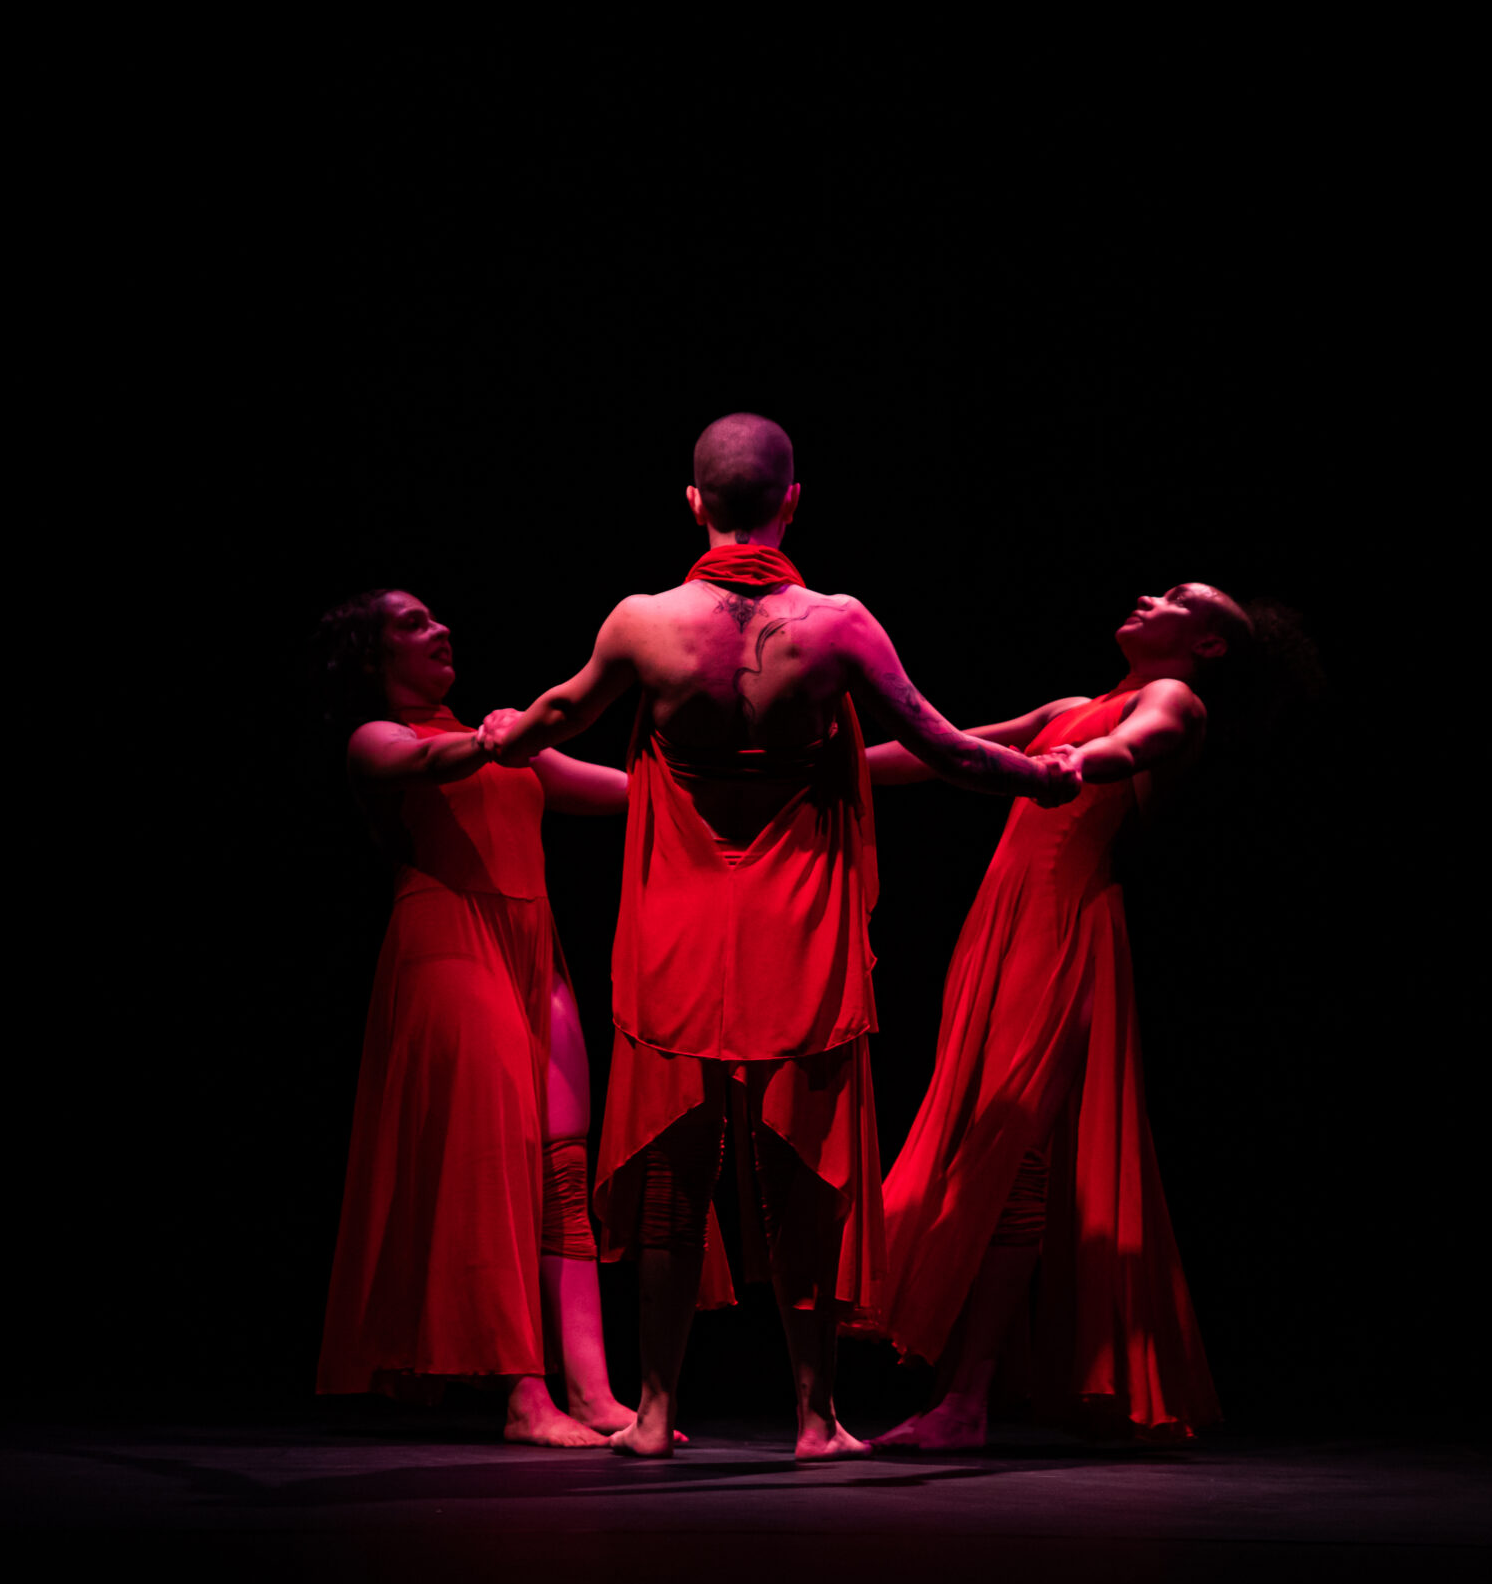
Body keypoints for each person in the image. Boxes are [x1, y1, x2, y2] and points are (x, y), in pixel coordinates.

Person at [475, 413, 1080, 1458]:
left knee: (672, 1162)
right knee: (802, 1166)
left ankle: (653, 1414)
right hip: (798, 920)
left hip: (678, 917)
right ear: (793, 500)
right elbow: (941, 743)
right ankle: (813, 1417)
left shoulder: (643, 621)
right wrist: (1041, 774)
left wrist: (503, 734)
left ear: (693, 501)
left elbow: (559, 714)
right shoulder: (838, 624)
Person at [867, 583, 1263, 1449]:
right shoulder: (1067, 707)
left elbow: (1134, 744)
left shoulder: (1175, 696)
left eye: (1174, 598)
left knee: (1013, 1149)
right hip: (1002, 923)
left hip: (1063, 927)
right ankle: (962, 1393)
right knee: (992, 1141)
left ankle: (965, 1399)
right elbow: (946, 748)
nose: (1148, 597)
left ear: (1207, 645)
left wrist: (1079, 762)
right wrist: (832, 769)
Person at [313, 587, 642, 1447]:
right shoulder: (377, 738)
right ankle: (523, 1394)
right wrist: (500, 737)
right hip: (450, 944)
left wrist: (712, 782)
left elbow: (621, 791)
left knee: (563, 1165)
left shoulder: (504, 738)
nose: (441, 629)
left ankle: (594, 1391)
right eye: (413, 624)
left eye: (435, 618)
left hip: (534, 950)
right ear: (376, 657)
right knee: (492, 1165)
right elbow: (428, 763)